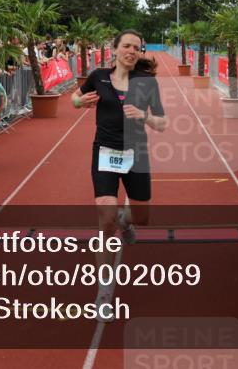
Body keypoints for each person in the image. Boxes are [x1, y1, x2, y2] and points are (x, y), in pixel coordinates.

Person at [71, 29, 167, 320]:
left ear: (140, 53)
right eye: (126, 45)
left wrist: (145, 116)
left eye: (136, 47)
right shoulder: (98, 76)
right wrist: (80, 103)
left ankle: (128, 223)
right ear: (114, 49)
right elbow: (75, 99)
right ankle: (103, 293)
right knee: (105, 217)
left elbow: (162, 123)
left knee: (141, 217)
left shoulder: (146, 82)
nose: (131, 51)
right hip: (105, 153)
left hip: (136, 154)